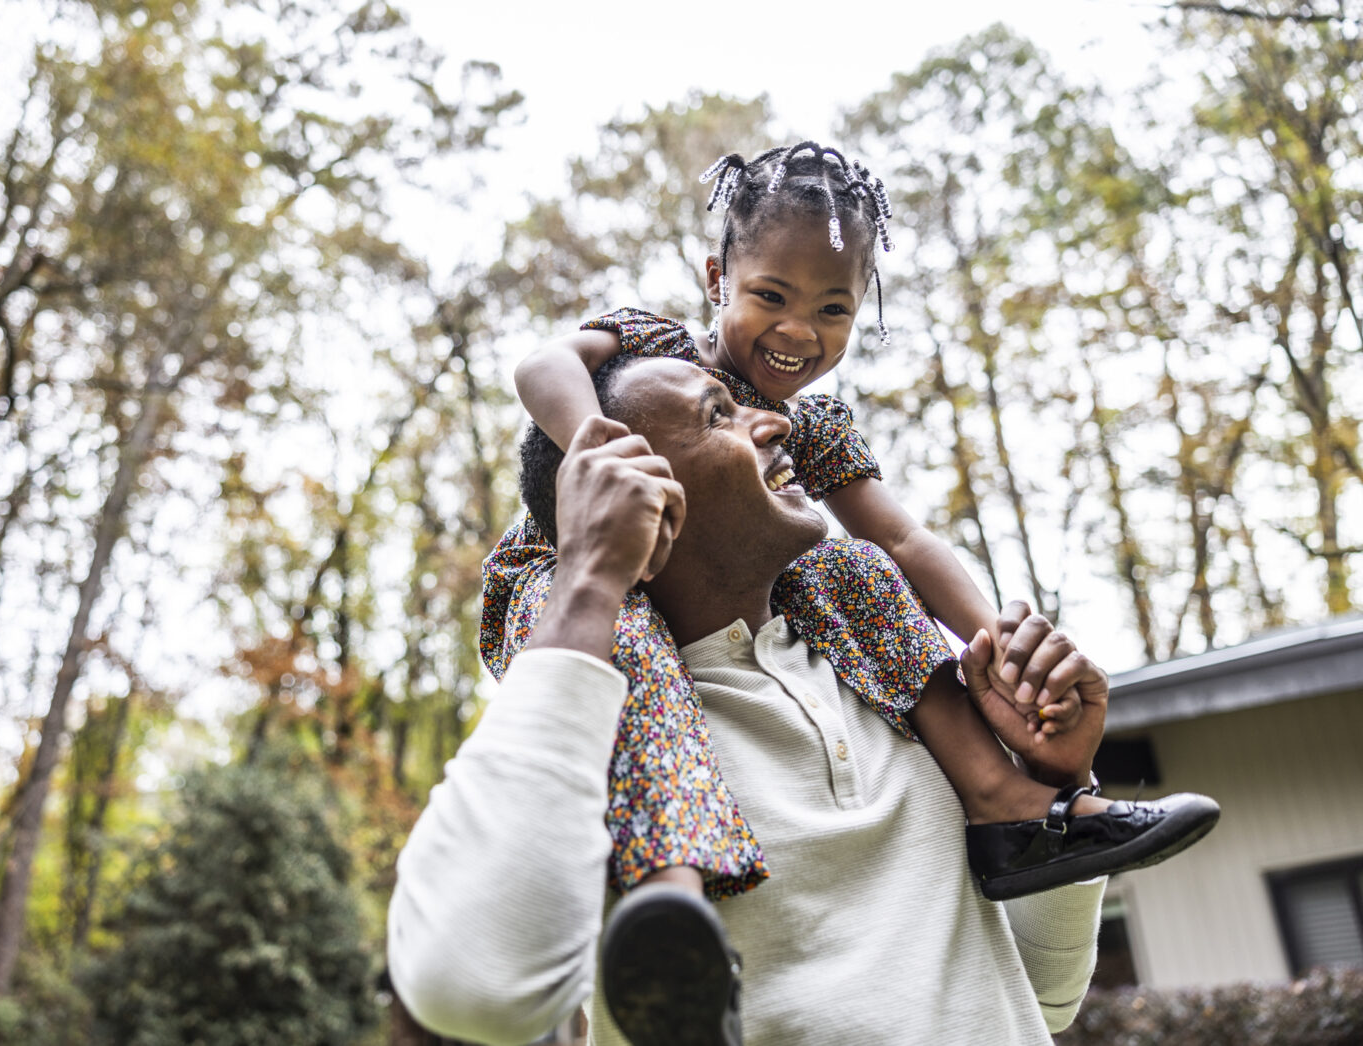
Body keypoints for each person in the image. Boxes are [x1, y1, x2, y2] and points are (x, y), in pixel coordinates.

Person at [484, 143, 1216, 922]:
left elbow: (903, 541)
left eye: (832, 309)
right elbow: (541, 364)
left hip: (739, 580)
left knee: (859, 567)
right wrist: (597, 442)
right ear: (715, 281)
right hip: (581, 571)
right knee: (633, 647)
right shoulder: (654, 351)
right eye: (771, 295)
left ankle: (1002, 802)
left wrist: (996, 645)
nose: (800, 330)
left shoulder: (816, 428)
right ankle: (670, 891)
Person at [390, 355, 1216, 1045]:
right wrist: (587, 580)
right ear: (631, 487)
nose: (775, 422)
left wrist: (1059, 779)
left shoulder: (896, 683)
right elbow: (470, 985)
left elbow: (1040, 997)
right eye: (719, 415)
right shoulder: (591, 737)